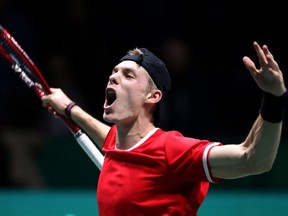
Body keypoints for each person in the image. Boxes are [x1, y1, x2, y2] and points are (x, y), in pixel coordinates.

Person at [41, 41, 287, 216]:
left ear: (153, 95)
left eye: (128, 75)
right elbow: (108, 136)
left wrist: (274, 98)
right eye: (114, 72)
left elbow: (253, 160)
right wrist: (70, 108)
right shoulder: (119, 145)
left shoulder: (172, 150)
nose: (113, 77)